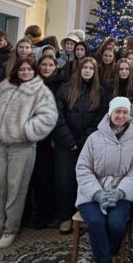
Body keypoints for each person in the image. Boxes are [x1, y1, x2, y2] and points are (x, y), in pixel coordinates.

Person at [0, 58, 58, 249]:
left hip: (22, 147)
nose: (25, 72)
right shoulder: (2, 88)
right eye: (22, 69)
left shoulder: (41, 92)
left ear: (34, 72)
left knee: (16, 189)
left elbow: (48, 118)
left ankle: (10, 229)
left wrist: (25, 131)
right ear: (16, 71)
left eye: (29, 69)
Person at [76, 97, 133, 263]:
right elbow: (83, 168)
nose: (121, 115)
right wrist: (97, 193)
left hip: (122, 192)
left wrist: (120, 192)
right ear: (110, 113)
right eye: (118, 112)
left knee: (116, 222)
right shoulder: (94, 138)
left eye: (124, 112)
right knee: (96, 221)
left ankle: (110, 254)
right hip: (91, 193)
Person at [53, 57, 109, 234]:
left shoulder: (99, 91)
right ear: (79, 70)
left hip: (88, 143)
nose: (87, 71)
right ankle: (64, 217)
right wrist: (69, 141)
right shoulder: (65, 89)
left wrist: (85, 140)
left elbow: (101, 117)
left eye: (91, 68)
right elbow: (58, 116)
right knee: (64, 181)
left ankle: (83, 214)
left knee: (86, 180)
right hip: (66, 143)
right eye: (84, 67)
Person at [26, 55, 65, 229]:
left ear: (55, 67)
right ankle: (32, 213)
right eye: (44, 65)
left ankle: (47, 213)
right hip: (34, 135)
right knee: (32, 176)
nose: (47, 68)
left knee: (47, 177)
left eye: (50, 65)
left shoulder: (61, 85)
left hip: (53, 136)